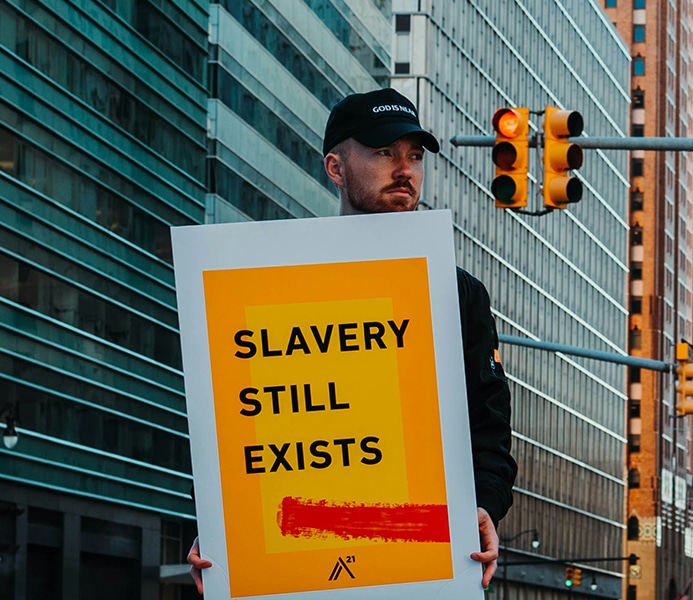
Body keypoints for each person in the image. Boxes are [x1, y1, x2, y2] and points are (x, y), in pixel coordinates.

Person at [187, 88, 517, 592]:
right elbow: (250, 421)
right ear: (336, 169)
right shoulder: (277, 285)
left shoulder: (458, 292)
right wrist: (221, 529)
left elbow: (488, 422)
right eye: (384, 153)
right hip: (301, 558)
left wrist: (486, 506)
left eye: (414, 156)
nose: (404, 169)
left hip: (420, 556)